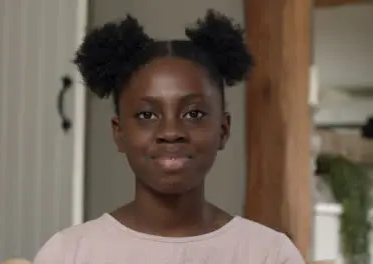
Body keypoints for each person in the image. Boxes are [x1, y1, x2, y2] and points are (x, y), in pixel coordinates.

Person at [34, 10, 305, 264]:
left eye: (194, 113)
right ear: (119, 133)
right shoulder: (69, 254)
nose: (171, 132)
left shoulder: (269, 254)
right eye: (147, 115)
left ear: (223, 129)